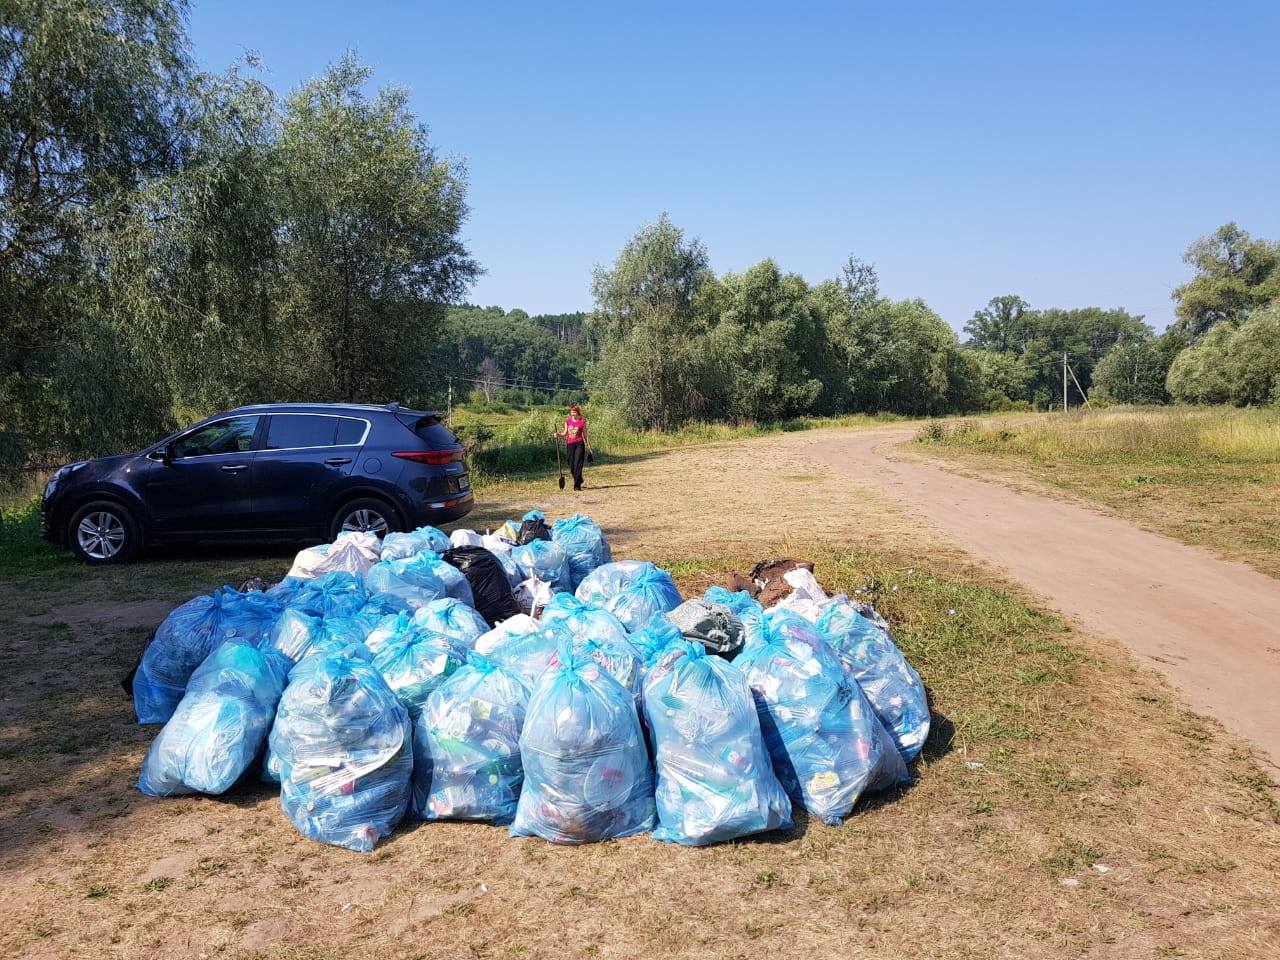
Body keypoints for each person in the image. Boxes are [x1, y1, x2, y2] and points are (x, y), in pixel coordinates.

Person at [556, 404, 590, 491]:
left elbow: (585, 435)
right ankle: (580, 479)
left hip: (579, 444)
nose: (572, 413)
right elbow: (565, 433)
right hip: (570, 445)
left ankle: (577, 485)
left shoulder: (582, 422)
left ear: (578, 413)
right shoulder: (568, 421)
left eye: (574, 412)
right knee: (571, 466)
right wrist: (558, 434)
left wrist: (589, 446)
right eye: (571, 412)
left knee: (577, 465)